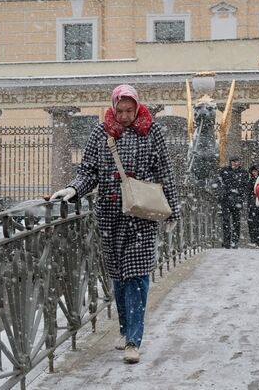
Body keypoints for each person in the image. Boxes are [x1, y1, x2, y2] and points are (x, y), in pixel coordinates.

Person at [50, 84, 180, 364]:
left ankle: (134, 339)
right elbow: (88, 171)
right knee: (119, 277)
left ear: (137, 108)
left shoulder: (151, 130)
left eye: (129, 111)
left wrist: (172, 211)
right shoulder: (101, 132)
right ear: (112, 107)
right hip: (109, 215)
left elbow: (165, 172)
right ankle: (124, 329)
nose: (123, 116)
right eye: (119, 110)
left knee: (136, 277)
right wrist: (73, 189)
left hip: (141, 215)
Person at [216, 155, 249, 249]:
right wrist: (222, 192)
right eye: (233, 161)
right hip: (226, 200)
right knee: (226, 221)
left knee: (236, 221)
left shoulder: (243, 173)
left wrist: (240, 194)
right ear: (230, 162)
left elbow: (245, 186)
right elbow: (218, 183)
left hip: (237, 200)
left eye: (236, 161)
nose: (235, 163)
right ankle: (227, 242)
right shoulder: (223, 171)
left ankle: (235, 241)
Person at [247, 164, 259, 248]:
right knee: (253, 222)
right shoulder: (251, 181)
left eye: (256, 171)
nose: (254, 173)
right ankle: (255, 240)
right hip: (253, 203)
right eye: (253, 171)